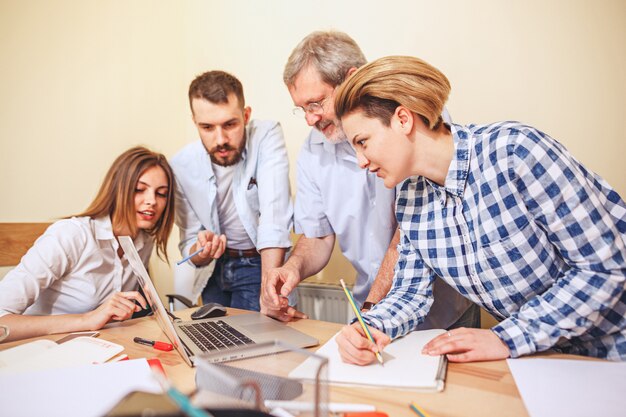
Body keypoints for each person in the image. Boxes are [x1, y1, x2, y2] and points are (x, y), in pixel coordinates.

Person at [332, 55, 626, 363]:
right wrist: (369, 327)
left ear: (403, 120)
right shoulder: (409, 198)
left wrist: (506, 337)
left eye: (363, 142)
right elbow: (409, 294)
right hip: (545, 357)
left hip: (613, 346)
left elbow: (605, 266)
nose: (361, 162)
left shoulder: (515, 152)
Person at [261, 30, 478, 330]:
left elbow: (412, 231)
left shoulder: (412, 119)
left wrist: (369, 315)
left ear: (352, 79)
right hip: (373, 309)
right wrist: (292, 268)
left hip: (443, 311)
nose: (310, 119)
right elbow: (317, 234)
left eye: (315, 104)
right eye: (302, 110)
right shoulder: (313, 151)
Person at [0, 146, 176, 342]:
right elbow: (2, 320)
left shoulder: (144, 242)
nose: (152, 201)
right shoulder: (72, 234)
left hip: (97, 347)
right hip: (39, 349)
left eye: (161, 194)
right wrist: (87, 320)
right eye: (139, 189)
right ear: (118, 190)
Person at [172, 70, 292, 312]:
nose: (220, 140)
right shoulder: (181, 165)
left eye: (230, 124)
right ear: (195, 122)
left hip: (258, 263)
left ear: (246, 115)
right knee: (215, 344)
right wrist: (202, 251)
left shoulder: (267, 135)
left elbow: (274, 216)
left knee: (256, 344)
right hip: (212, 270)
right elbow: (189, 244)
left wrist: (268, 291)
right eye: (207, 127)